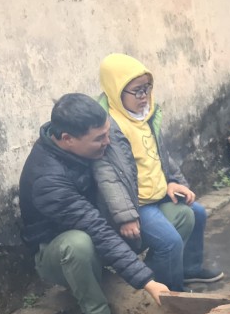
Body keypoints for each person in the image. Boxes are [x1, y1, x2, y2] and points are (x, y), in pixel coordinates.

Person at [19, 94, 170, 314]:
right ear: (67, 139)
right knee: (78, 243)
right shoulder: (48, 179)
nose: (107, 142)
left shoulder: (89, 139)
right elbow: (94, 227)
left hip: (102, 231)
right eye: (99, 139)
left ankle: (164, 294)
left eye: (107, 133)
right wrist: (146, 281)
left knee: (176, 215)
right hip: (59, 254)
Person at [95, 53, 223, 292]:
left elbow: (161, 155)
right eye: (137, 91)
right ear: (115, 90)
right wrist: (125, 215)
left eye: (147, 88)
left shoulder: (147, 115)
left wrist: (174, 182)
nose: (144, 96)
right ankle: (172, 293)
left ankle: (189, 268)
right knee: (170, 241)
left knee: (198, 212)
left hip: (158, 192)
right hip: (138, 204)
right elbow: (107, 177)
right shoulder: (108, 128)